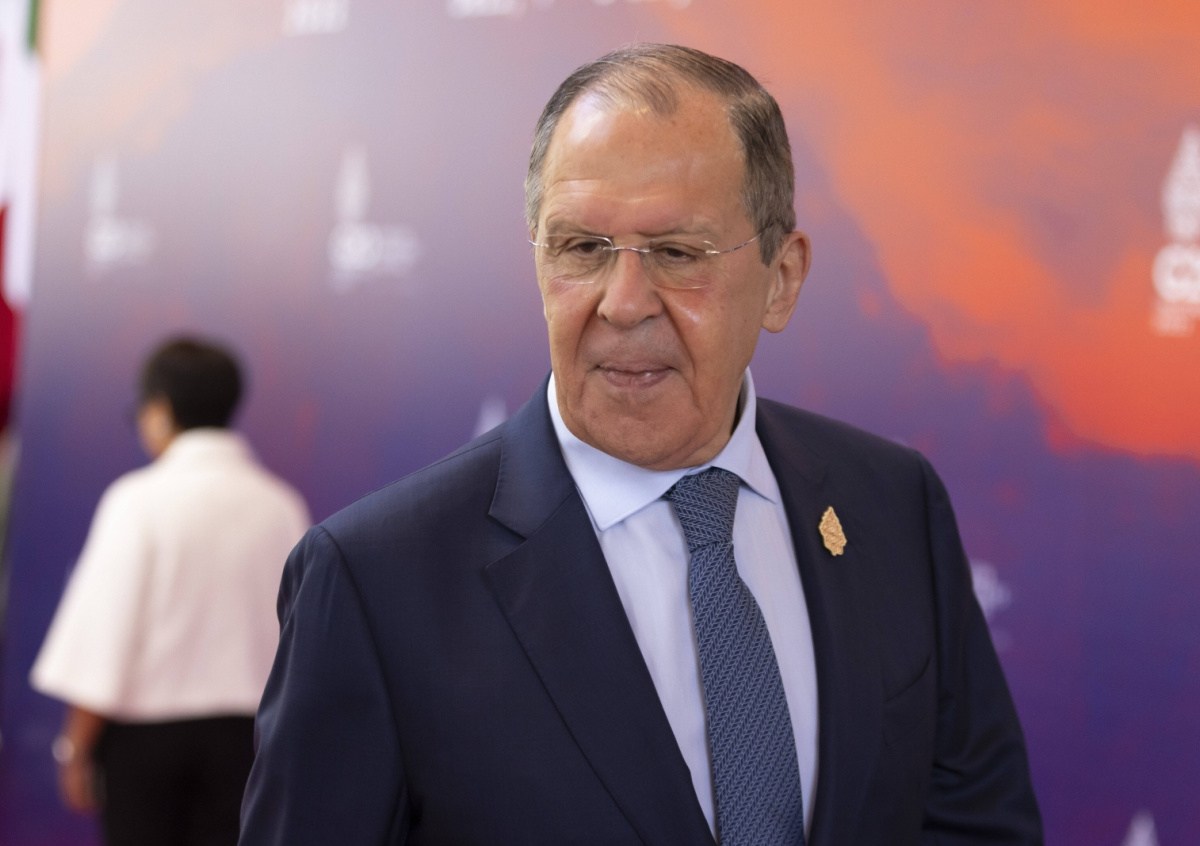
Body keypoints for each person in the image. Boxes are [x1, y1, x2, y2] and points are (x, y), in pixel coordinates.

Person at [240, 44, 1042, 845]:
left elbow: (976, 825)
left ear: (782, 278)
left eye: (678, 253)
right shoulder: (376, 580)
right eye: (582, 249)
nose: (623, 305)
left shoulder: (891, 504)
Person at [31, 337, 311, 846]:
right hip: (250, 745)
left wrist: (75, 747)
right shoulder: (280, 506)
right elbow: (301, 636)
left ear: (159, 410)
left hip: (145, 751)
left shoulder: (137, 501)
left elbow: (102, 642)